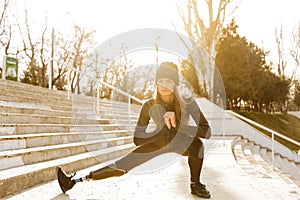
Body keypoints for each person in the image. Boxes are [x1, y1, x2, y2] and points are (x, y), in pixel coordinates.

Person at [57, 62, 211, 198]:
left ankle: (195, 184)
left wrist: (178, 125)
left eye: (169, 81)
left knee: (197, 146)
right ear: (156, 83)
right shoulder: (149, 105)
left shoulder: (188, 102)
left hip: (180, 142)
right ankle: (72, 181)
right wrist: (158, 132)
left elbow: (207, 131)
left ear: (175, 84)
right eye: (161, 81)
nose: (164, 85)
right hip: (158, 143)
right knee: (122, 165)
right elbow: (137, 139)